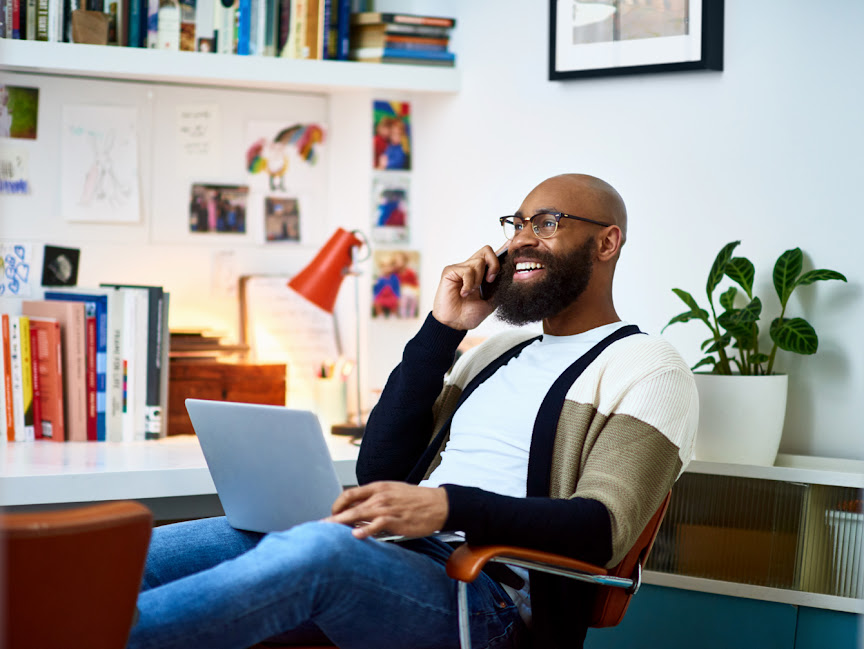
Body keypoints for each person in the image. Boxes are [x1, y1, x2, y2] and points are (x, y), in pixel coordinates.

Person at [127, 173, 698, 649]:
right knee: (140, 553)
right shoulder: (497, 353)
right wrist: (442, 330)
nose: (522, 239)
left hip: (486, 598)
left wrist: (445, 506)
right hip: (394, 556)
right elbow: (381, 468)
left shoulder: (647, 367)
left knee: (318, 551)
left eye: (546, 224)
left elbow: (601, 529)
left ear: (607, 243)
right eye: (516, 225)